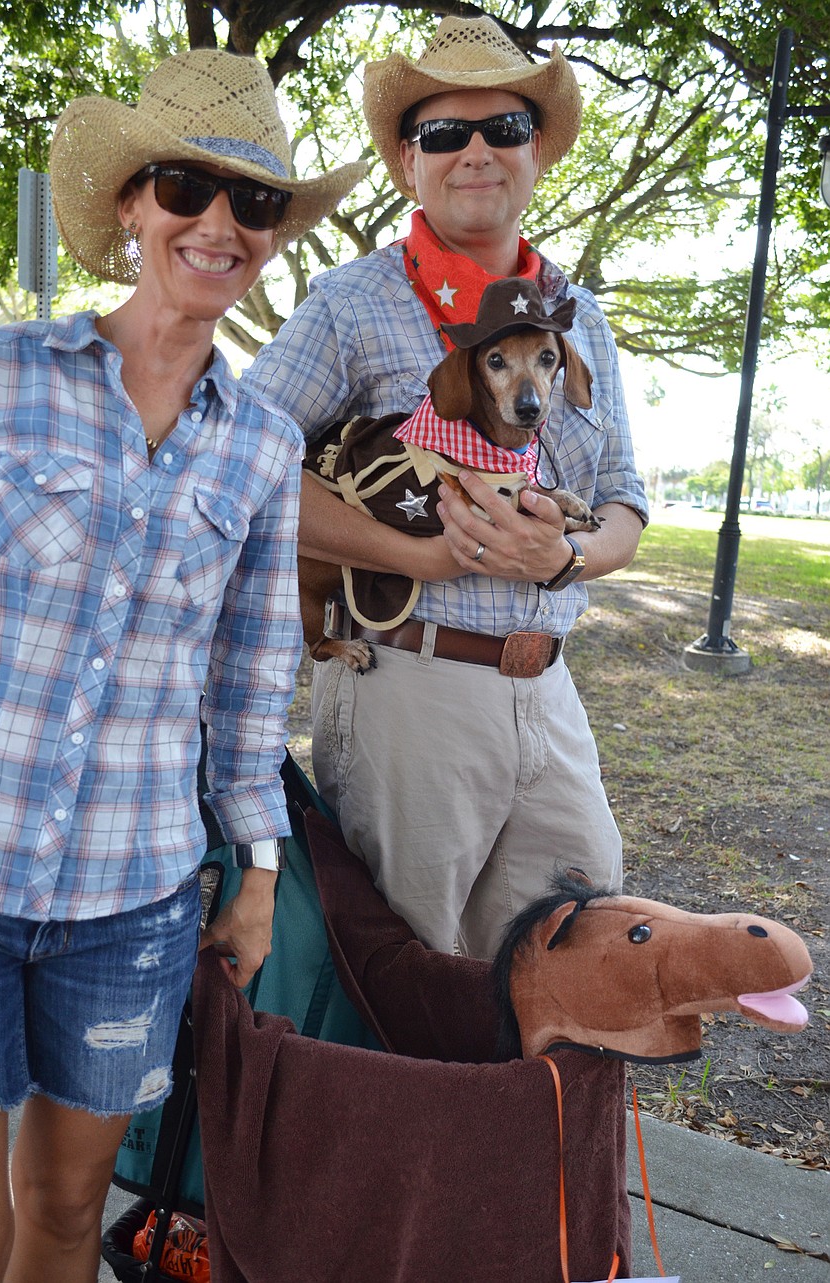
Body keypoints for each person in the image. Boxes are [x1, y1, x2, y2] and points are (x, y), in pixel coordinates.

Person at [0, 48, 362, 1283]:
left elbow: (250, 684)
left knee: (64, 1199)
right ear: (133, 203)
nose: (218, 224)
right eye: (188, 189)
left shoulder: (258, 447)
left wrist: (255, 875)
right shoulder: (1, 379)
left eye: (253, 203)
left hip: (131, 895)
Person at [244, 16, 649, 960]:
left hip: (549, 689)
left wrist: (569, 554)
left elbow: (625, 498)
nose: (476, 152)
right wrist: (415, 552)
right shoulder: (353, 304)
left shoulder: (581, 321)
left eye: (503, 128)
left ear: (536, 150)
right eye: (444, 134)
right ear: (404, 161)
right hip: (406, 679)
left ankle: (535, 1116)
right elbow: (239, 459)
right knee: (405, 973)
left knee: (575, 956)